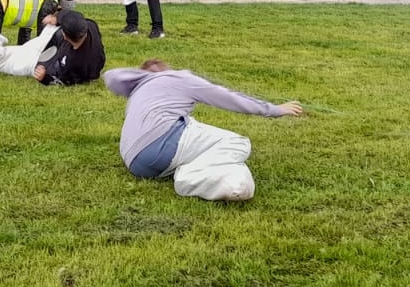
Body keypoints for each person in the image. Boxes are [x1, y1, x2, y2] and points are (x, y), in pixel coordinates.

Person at [102, 59, 303, 201]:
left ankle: (200, 169)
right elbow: (229, 98)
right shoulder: (178, 78)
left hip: (135, 163)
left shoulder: (139, 88)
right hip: (159, 147)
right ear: (162, 69)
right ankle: (188, 178)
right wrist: (274, 110)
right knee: (238, 143)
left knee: (191, 126)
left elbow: (111, 75)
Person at [35, 10, 105, 86]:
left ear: (65, 36)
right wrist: (56, 18)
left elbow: (63, 81)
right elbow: (72, 16)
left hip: (82, 69)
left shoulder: (73, 65)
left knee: (46, 67)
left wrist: (44, 78)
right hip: (94, 61)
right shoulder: (91, 26)